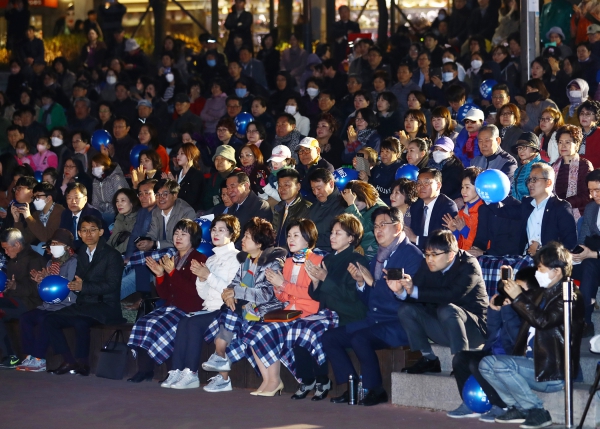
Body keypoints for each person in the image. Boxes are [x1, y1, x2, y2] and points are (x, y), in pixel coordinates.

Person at [323, 206, 422, 405]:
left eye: (383, 225)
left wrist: (372, 283)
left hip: (399, 322)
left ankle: (375, 389)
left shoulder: (411, 255)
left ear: (398, 227)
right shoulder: (378, 256)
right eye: (376, 225)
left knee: (360, 338)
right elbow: (371, 300)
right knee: (330, 337)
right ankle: (351, 385)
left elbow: (405, 297)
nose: (378, 230)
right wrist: (361, 282)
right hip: (375, 320)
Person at [479, 242, 584, 427]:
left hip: (553, 370)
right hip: (529, 364)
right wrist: (505, 291)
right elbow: (514, 296)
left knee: (502, 366)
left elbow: (543, 321)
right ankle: (518, 407)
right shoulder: (540, 293)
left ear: (557, 271)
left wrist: (518, 298)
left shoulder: (570, 297)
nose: (537, 272)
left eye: (541, 268)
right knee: (486, 364)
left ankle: (537, 410)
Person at [202, 217, 286, 393]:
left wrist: (235, 293)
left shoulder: (272, 262)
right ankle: (222, 360)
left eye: (247, 236)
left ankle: (221, 358)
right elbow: (233, 284)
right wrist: (229, 294)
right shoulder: (246, 261)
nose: (243, 240)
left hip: (268, 310)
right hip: (249, 309)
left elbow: (266, 294)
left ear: (259, 242)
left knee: (232, 314)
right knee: (229, 309)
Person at [160, 215, 241, 389]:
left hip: (224, 310)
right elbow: (203, 294)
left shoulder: (236, 258)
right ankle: (177, 370)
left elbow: (230, 292)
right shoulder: (210, 259)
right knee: (184, 321)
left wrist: (208, 276)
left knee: (193, 323)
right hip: (209, 307)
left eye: (221, 230)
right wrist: (203, 280)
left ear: (232, 234)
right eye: (213, 230)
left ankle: (191, 373)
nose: (215, 233)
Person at [391, 229, 488, 374]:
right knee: (405, 310)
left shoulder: (469, 265)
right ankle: (429, 359)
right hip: (443, 327)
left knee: (448, 309)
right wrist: (401, 291)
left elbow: (451, 295)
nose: (429, 259)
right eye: (427, 254)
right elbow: (416, 291)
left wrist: (415, 290)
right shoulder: (427, 264)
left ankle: (461, 361)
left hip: (473, 330)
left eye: (434, 255)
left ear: (450, 254)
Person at [447, 266, 537, 421]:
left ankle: (501, 405)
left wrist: (509, 312)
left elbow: (516, 342)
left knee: (480, 363)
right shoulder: (511, 305)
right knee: (460, 358)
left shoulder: (529, 310)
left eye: (520, 288)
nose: (514, 291)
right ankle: (469, 403)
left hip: (512, 357)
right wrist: (494, 311)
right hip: (494, 352)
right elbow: (492, 336)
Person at [127, 219, 208, 382]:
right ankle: (145, 370)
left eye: (183, 234)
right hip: (171, 307)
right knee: (144, 322)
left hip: (189, 308)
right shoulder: (173, 257)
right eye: (176, 233)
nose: (178, 237)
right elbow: (164, 295)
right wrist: (160, 275)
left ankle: (173, 371)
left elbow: (195, 292)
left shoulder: (199, 259)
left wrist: (172, 273)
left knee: (159, 325)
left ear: (193, 238)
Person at [45, 215, 124, 376]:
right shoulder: (80, 253)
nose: (88, 234)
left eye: (92, 230)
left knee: (81, 322)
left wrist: (83, 287)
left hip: (105, 306)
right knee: (49, 319)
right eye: (84, 230)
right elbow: (77, 281)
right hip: (85, 304)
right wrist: (71, 285)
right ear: (79, 234)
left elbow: (112, 285)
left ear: (101, 232)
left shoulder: (112, 255)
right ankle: (69, 360)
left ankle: (83, 363)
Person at [16, 229, 78, 372]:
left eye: (58, 243)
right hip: (48, 305)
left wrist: (50, 283)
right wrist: (40, 281)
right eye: (53, 243)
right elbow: (45, 291)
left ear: (67, 247)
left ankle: (40, 359)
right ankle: (29, 355)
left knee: (46, 320)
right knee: (25, 318)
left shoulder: (73, 262)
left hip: (65, 305)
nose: (54, 246)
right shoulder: (51, 262)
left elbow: (69, 286)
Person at [491, 162, 578, 255]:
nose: (529, 184)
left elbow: (570, 244)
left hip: (551, 262)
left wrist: (542, 249)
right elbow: (502, 211)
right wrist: (487, 196)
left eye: (534, 179)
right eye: (529, 180)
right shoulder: (527, 204)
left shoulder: (561, 207)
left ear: (548, 183)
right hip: (526, 259)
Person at [0, 228, 46, 368]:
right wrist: (8, 289)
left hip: (30, 304)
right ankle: (10, 355)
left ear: (17, 245)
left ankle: (11, 355)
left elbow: (37, 291)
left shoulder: (35, 260)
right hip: (16, 301)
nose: (5, 253)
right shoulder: (14, 260)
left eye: (7, 249)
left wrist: (15, 287)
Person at [572, 169, 600, 336]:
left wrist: (593, 254)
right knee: (561, 266)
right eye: (590, 191)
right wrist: (576, 254)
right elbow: (583, 239)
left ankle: (585, 320)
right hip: (591, 258)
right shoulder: (591, 208)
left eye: (597, 190)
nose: (593, 195)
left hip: (595, 257)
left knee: (590, 265)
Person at [405, 168, 459, 250]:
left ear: (438, 186)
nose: (421, 187)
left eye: (426, 183)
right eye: (418, 183)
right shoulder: (416, 206)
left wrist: (416, 239)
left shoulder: (447, 207)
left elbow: (441, 241)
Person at [145, 180, 197, 252]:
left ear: (175, 195)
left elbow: (183, 241)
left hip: (179, 251)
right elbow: (152, 234)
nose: (160, 198)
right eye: (158, 194)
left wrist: (155, 244)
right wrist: (146, 242)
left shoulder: (186, 212)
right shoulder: (156, 212)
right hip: (160, 250)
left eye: (165, 194)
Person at [341, 181, 387, 260]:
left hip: (373, 252)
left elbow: (363, 227)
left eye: (357, 205)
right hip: (359, 248)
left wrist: (351, 205)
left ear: (365, 198)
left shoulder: (380, 209)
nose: (356, 208)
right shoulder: (365, 205)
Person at [14, 181, 64, 253]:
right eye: (34, 197)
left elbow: (47, 237)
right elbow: (25, 239)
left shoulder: (59, 211)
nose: (35, 201)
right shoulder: (37, 214)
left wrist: (28, 217)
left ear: (49, 198)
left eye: (38, 197)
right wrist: (17, 220)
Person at [442, 167, 484, 250]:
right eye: (462, 187)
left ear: (479, 187)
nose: (463, 191)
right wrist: (454, 230)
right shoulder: (462, 212)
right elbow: (459, 244)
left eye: (467, 187)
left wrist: (463, 229)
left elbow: (481, 243)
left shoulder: (484, 212)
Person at [59, 182, 108, 250]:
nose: (73, 201)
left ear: (85, 199)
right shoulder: (65, 213)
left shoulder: (93, 214)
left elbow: (100, 238)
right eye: (69, 198)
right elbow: (62, 235)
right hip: (69, 249)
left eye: (77, 198)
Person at [308, 168, 346, 252]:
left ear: (331, 184)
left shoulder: (343, 205)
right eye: (313, 189)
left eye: (319, 188)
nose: (316, 193)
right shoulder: (314, 206)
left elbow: (339, 237)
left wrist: (309, 238)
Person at [272, 169, 312, 248]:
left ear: (298, 186)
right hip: (277, 253)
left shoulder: (306, 208)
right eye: (279, 185)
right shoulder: (279, 207)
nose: (282, 189)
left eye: (286, 185)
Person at [90, 153, 128, 226]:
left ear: (105, 165)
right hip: (103, 213)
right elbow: (95, 202)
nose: (94, 168)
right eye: (93, 166)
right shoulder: (96, 181)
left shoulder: (116, 178)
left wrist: (105, 215)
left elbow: (120, 200)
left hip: (116, 212)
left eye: (97, 165)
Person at [296, 137, 335, 203]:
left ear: (318, 151)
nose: (303, 154)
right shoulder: (298, 168)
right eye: (300, 151)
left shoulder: (326, 168)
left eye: (307, 150)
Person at [201, 145, 239, 211]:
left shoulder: (239, 176)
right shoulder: (213, 177)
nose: (219, 162)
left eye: (223, 159)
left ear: (231, 162)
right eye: (217, 159)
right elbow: (207, 199)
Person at [428, 137, 464, 202]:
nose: (438, 152)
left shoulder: (456, 169)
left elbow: (448, 190)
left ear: (451, 153)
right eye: (436, 149)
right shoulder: (428, 165)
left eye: (443, 150)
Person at [369, 137, 403, 205]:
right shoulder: (377, 166)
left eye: (387, 151)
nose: (384, 154)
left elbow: (390, 192)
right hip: (374, 202)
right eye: (382, 151)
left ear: (397, 154)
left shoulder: (400, 170)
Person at [511, 132, 545, 200]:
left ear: (534, 149)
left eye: (524, 147)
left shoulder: (544, 167)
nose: (520, 151)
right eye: (519, 148)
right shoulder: (518, 170)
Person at [107, 188, 139, 255]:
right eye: (117, 201)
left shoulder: (139, 218)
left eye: (123, 200)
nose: (119, 204)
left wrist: (111, 255)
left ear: (132, 203)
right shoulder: (119, 218)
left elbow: (129, 243)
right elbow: (112, 239)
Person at [172, 143, 203, 212]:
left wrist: (175, 186)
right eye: (178, 154)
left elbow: (192, 199)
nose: (178, 156)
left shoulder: (197, 175)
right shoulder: (176, 173)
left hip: (190, 211)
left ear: (191, 155)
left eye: (182, 153)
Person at [577, 100, 600, 168]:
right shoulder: (575, 133)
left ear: (596, 117)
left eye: (588, 114)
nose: (584, 116)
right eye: (582, 113)